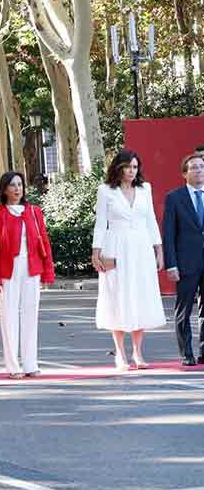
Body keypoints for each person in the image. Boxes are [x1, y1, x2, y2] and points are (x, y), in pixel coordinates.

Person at [91, 149, 165, 371]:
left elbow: (151, 220)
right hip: (115, 247)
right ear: (118, 167)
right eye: (127, 166)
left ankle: (138, 352)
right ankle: (120, 353)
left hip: (141, 248)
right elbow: (100, 222)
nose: (131, 171)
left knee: (139, 296)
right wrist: (96, 251)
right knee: (118, 297)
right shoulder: (106, 191)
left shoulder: (145, 189)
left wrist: (159, 250)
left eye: (134, 167)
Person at [0, 171, 55, 379]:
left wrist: (48, 271)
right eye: (12, 185)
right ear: (4, 189)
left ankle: (31, 364)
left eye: (20, 184)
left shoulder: (34, 212)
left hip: (32, 268)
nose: (17, 189)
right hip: (8, 270)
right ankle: (13, 365)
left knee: (30, 315)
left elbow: (44, 241)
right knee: (8, 317)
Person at [162, 152, 204, 366]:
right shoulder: (174, 198)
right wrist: (171, 264)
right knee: (184, 310)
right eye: (194, 167)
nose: (199, 171)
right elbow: (168, 234)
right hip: (186, 263)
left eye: (202, 166)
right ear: (184, 174)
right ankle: (186, 352)